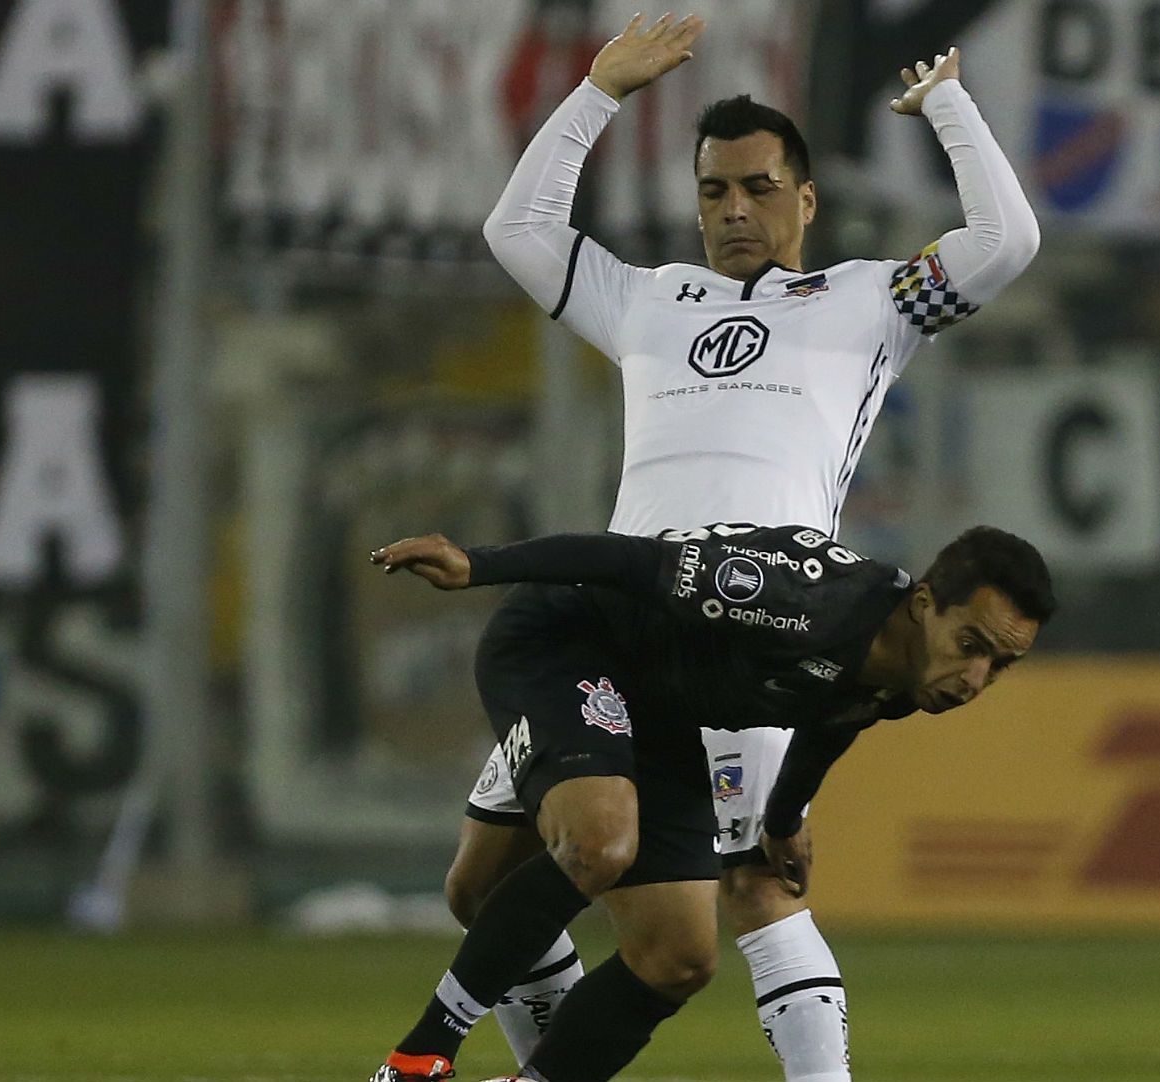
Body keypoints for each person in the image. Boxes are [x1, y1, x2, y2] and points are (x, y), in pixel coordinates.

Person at [445, 12, 1039, 1081]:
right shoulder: (651, 299)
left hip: (753, 639)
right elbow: (519, 234)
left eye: (759, 186)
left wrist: (945, 105)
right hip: (606, 632)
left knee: (759, 879)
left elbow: (1006, 243)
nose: (735, 208)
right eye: (714, 189)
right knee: (482, 885)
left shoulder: (868, 302)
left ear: (805, 199)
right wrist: (597, 93)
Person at [366, 522, 1055, 1082]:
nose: (974, 679)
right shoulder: (805, 598)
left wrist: (782, 821)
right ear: (925, 602)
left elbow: (832, 720)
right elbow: (630, 560)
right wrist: (477, 564)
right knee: (599, 843)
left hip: (658, 709)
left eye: (999, 664)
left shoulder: (913, 675)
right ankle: (414, 1060)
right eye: (971, 646)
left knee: (680, 956)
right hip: (567, 644)